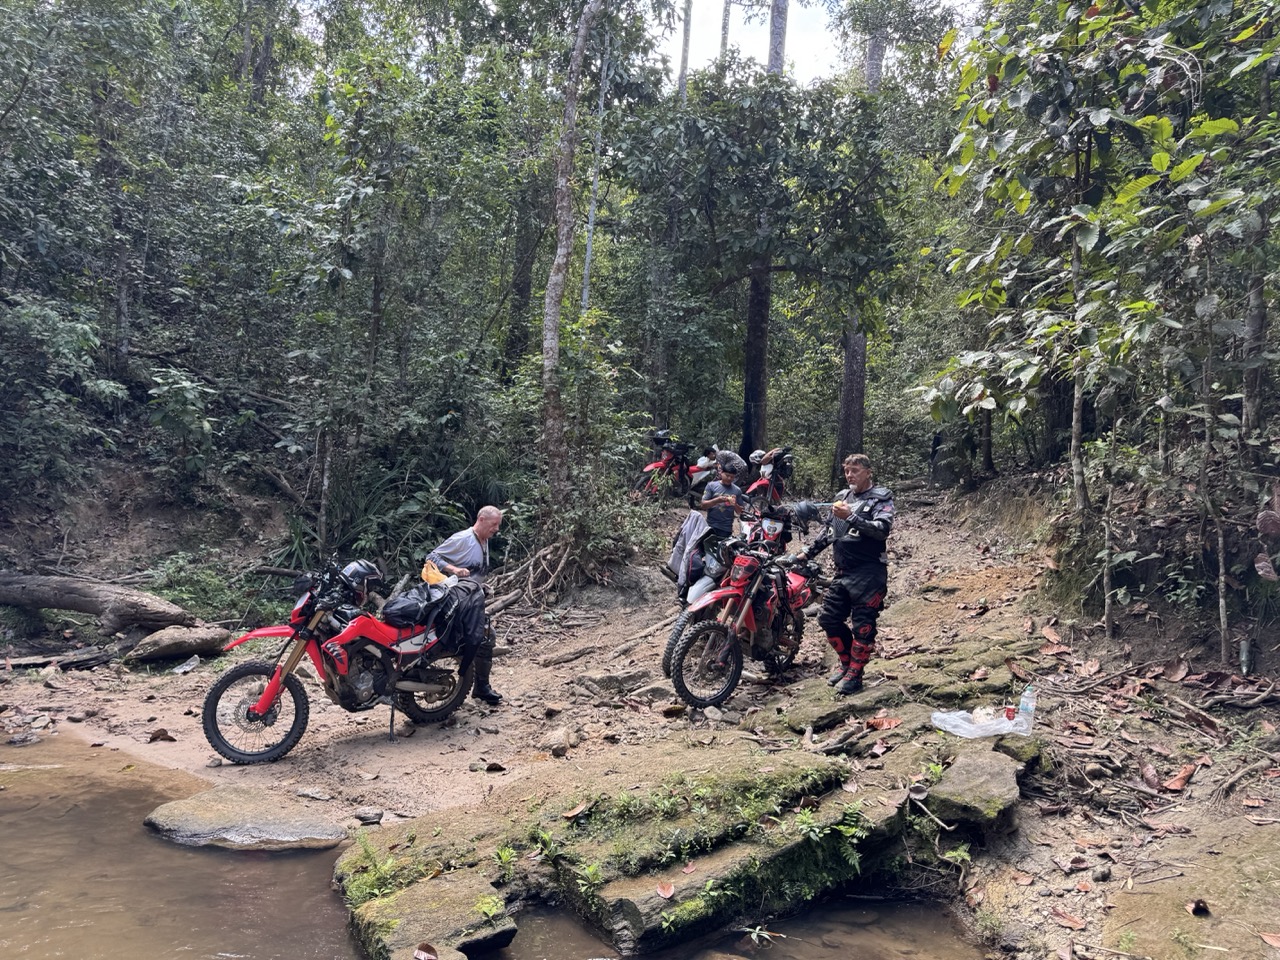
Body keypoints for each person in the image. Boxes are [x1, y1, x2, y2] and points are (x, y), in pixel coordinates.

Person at [800, 454, 895, 696]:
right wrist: (806, 554)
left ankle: (855, 676)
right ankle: (846, 664)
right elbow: (829, 531)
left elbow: (882, 530)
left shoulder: (880, 498)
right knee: (828, 618)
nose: (850, 475)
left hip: (869, 572)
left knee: (863, 626)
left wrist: (851, 517)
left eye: (855, 470)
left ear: (868, 472)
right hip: (843, 572)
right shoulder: (843, 497)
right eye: (846, 471)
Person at [426, 506, 504, 705]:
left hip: (472, 600)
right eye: (494, 524)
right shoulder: (463, 538)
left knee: (484, 637)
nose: (497, 529)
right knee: (484, 636)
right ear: (481, 519)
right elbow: (432, 557)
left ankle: (479, 686)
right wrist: (454, 570)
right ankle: (475, 685)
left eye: (498, 525)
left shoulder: (484, 540)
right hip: (457, 601)